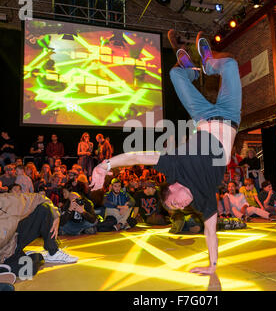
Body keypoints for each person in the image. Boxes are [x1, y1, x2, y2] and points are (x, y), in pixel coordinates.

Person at [89, 30, 242, 275]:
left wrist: (104, 165)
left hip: (202, 116)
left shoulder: (173, 167)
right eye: (177, 208)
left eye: (173, 203)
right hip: (230, 115)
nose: (180, 206)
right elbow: (210, 232)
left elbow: (138, 155)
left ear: (172, 187)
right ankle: (205, 67)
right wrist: (212, 266)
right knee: (232, 64)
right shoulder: (204, 199)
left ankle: (199, 69)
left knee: (174, 73)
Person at [0, 193, 78, 278]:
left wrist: (56, 216)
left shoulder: (7, 201)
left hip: (14, 242)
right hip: (4, 256)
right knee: (28, 270)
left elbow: (40, 197)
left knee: (44, 208)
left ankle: (53, 251)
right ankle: (29, 257)